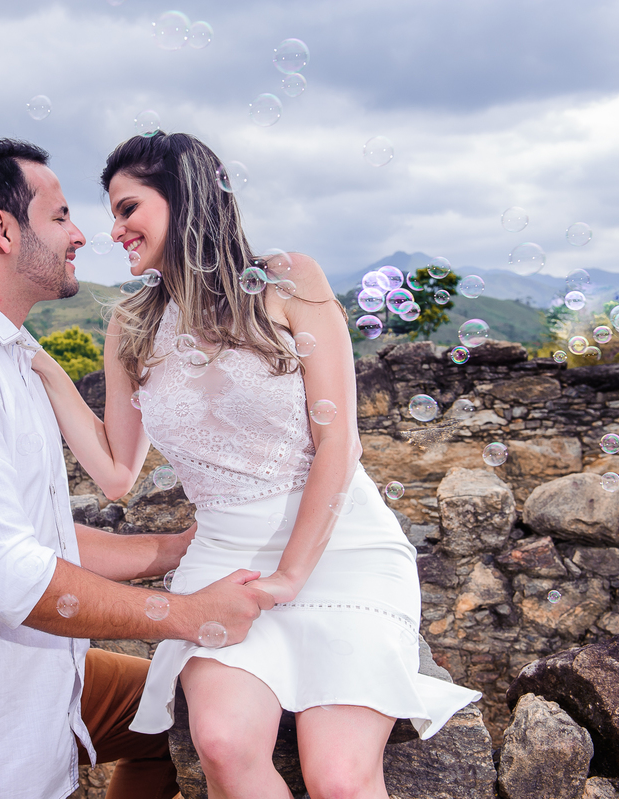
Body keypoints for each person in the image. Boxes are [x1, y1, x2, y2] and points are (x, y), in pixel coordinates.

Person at [30, 132, 482, 799]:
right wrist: (40, 365)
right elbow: (119, 474)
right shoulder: (130, 324)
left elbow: (339, 443)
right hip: (224, 559)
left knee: (338, 779)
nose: (115, 229)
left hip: (341, 548)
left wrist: (292, 573)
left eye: (128, 208)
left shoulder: (288, 279)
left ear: (184, 197)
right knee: (222, 744)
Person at [0, 138, 276, 799]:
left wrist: (177, 548)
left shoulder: (11, 358)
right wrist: (187, 613)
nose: (80, 235)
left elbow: (35, 537)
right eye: (60, 217)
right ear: (1, 229)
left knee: (168, 712)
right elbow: (3, 571)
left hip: (45, 680)